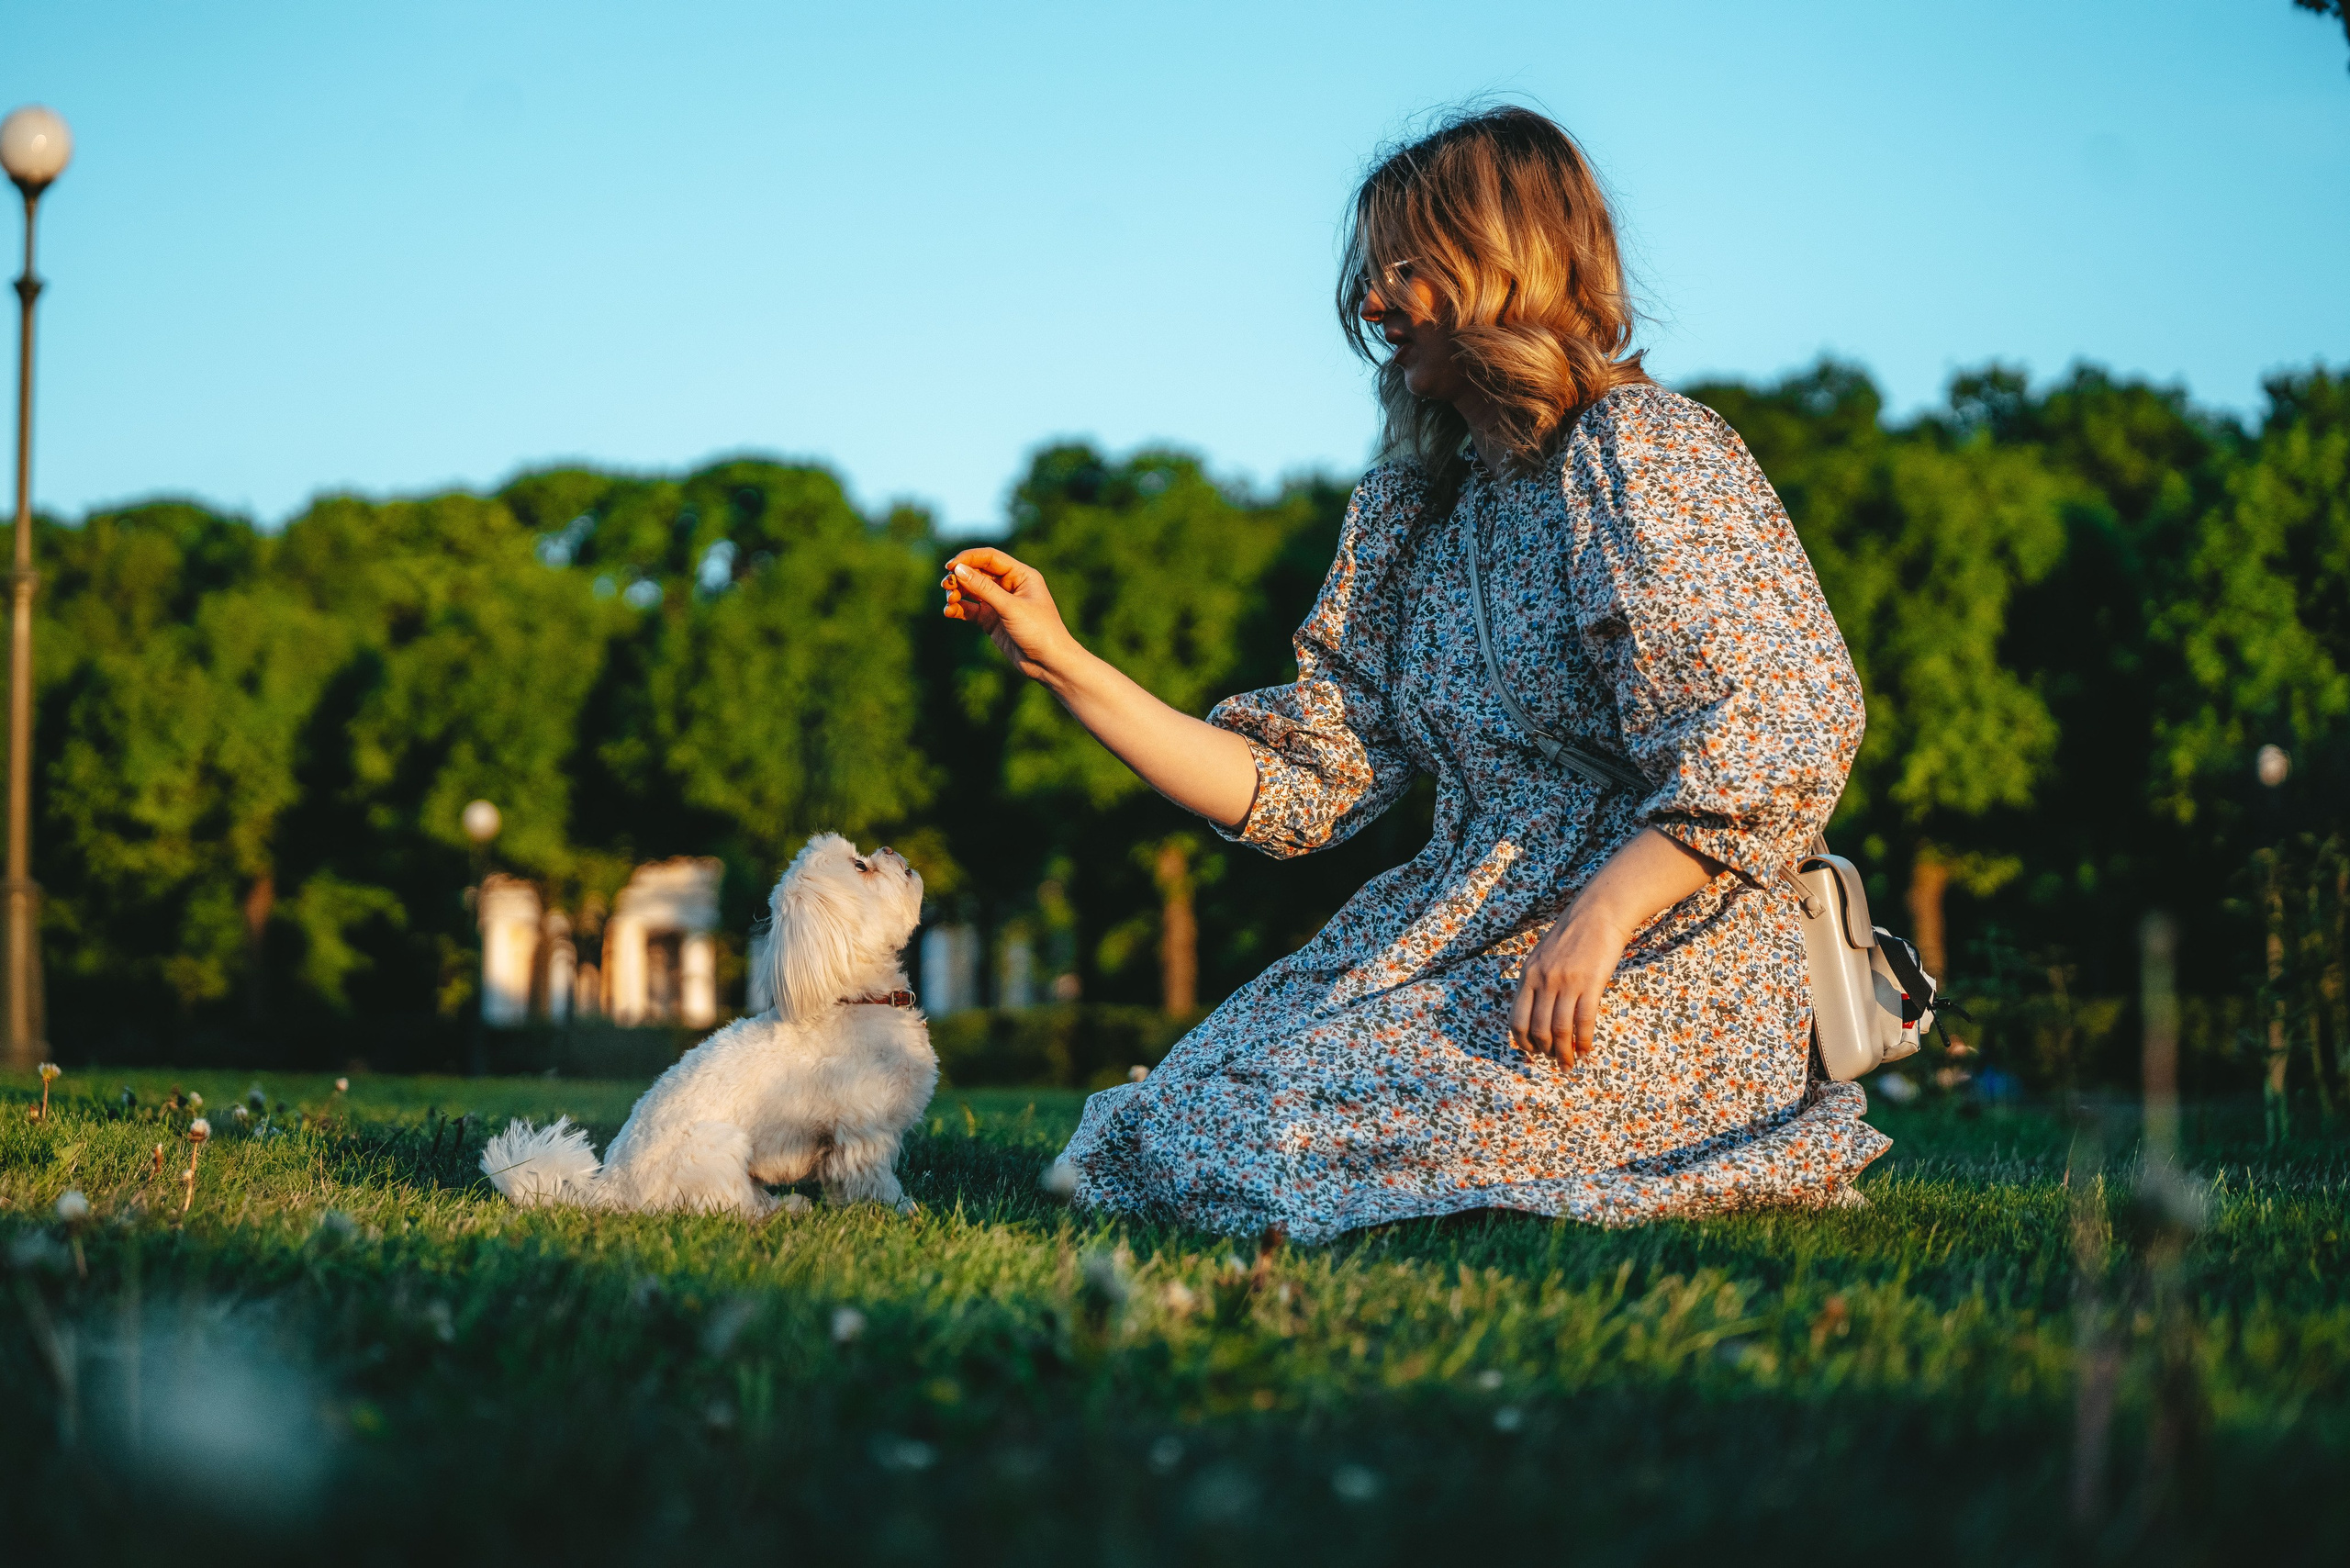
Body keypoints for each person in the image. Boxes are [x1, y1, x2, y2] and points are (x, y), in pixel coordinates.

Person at [941, 106, 1882, 1243]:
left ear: (1501, 264)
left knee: (1248, 1135)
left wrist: (1599, 915)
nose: (1371, 303)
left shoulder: (1639, 449)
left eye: (1402, 268)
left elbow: (1786, 725)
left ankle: (1708, 1134)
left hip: (1663, 949)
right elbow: (1301, 786)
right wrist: (1062, 661)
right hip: (1460, 930)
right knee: (1166, 1122)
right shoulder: (1411, 511)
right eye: (1370, 272)